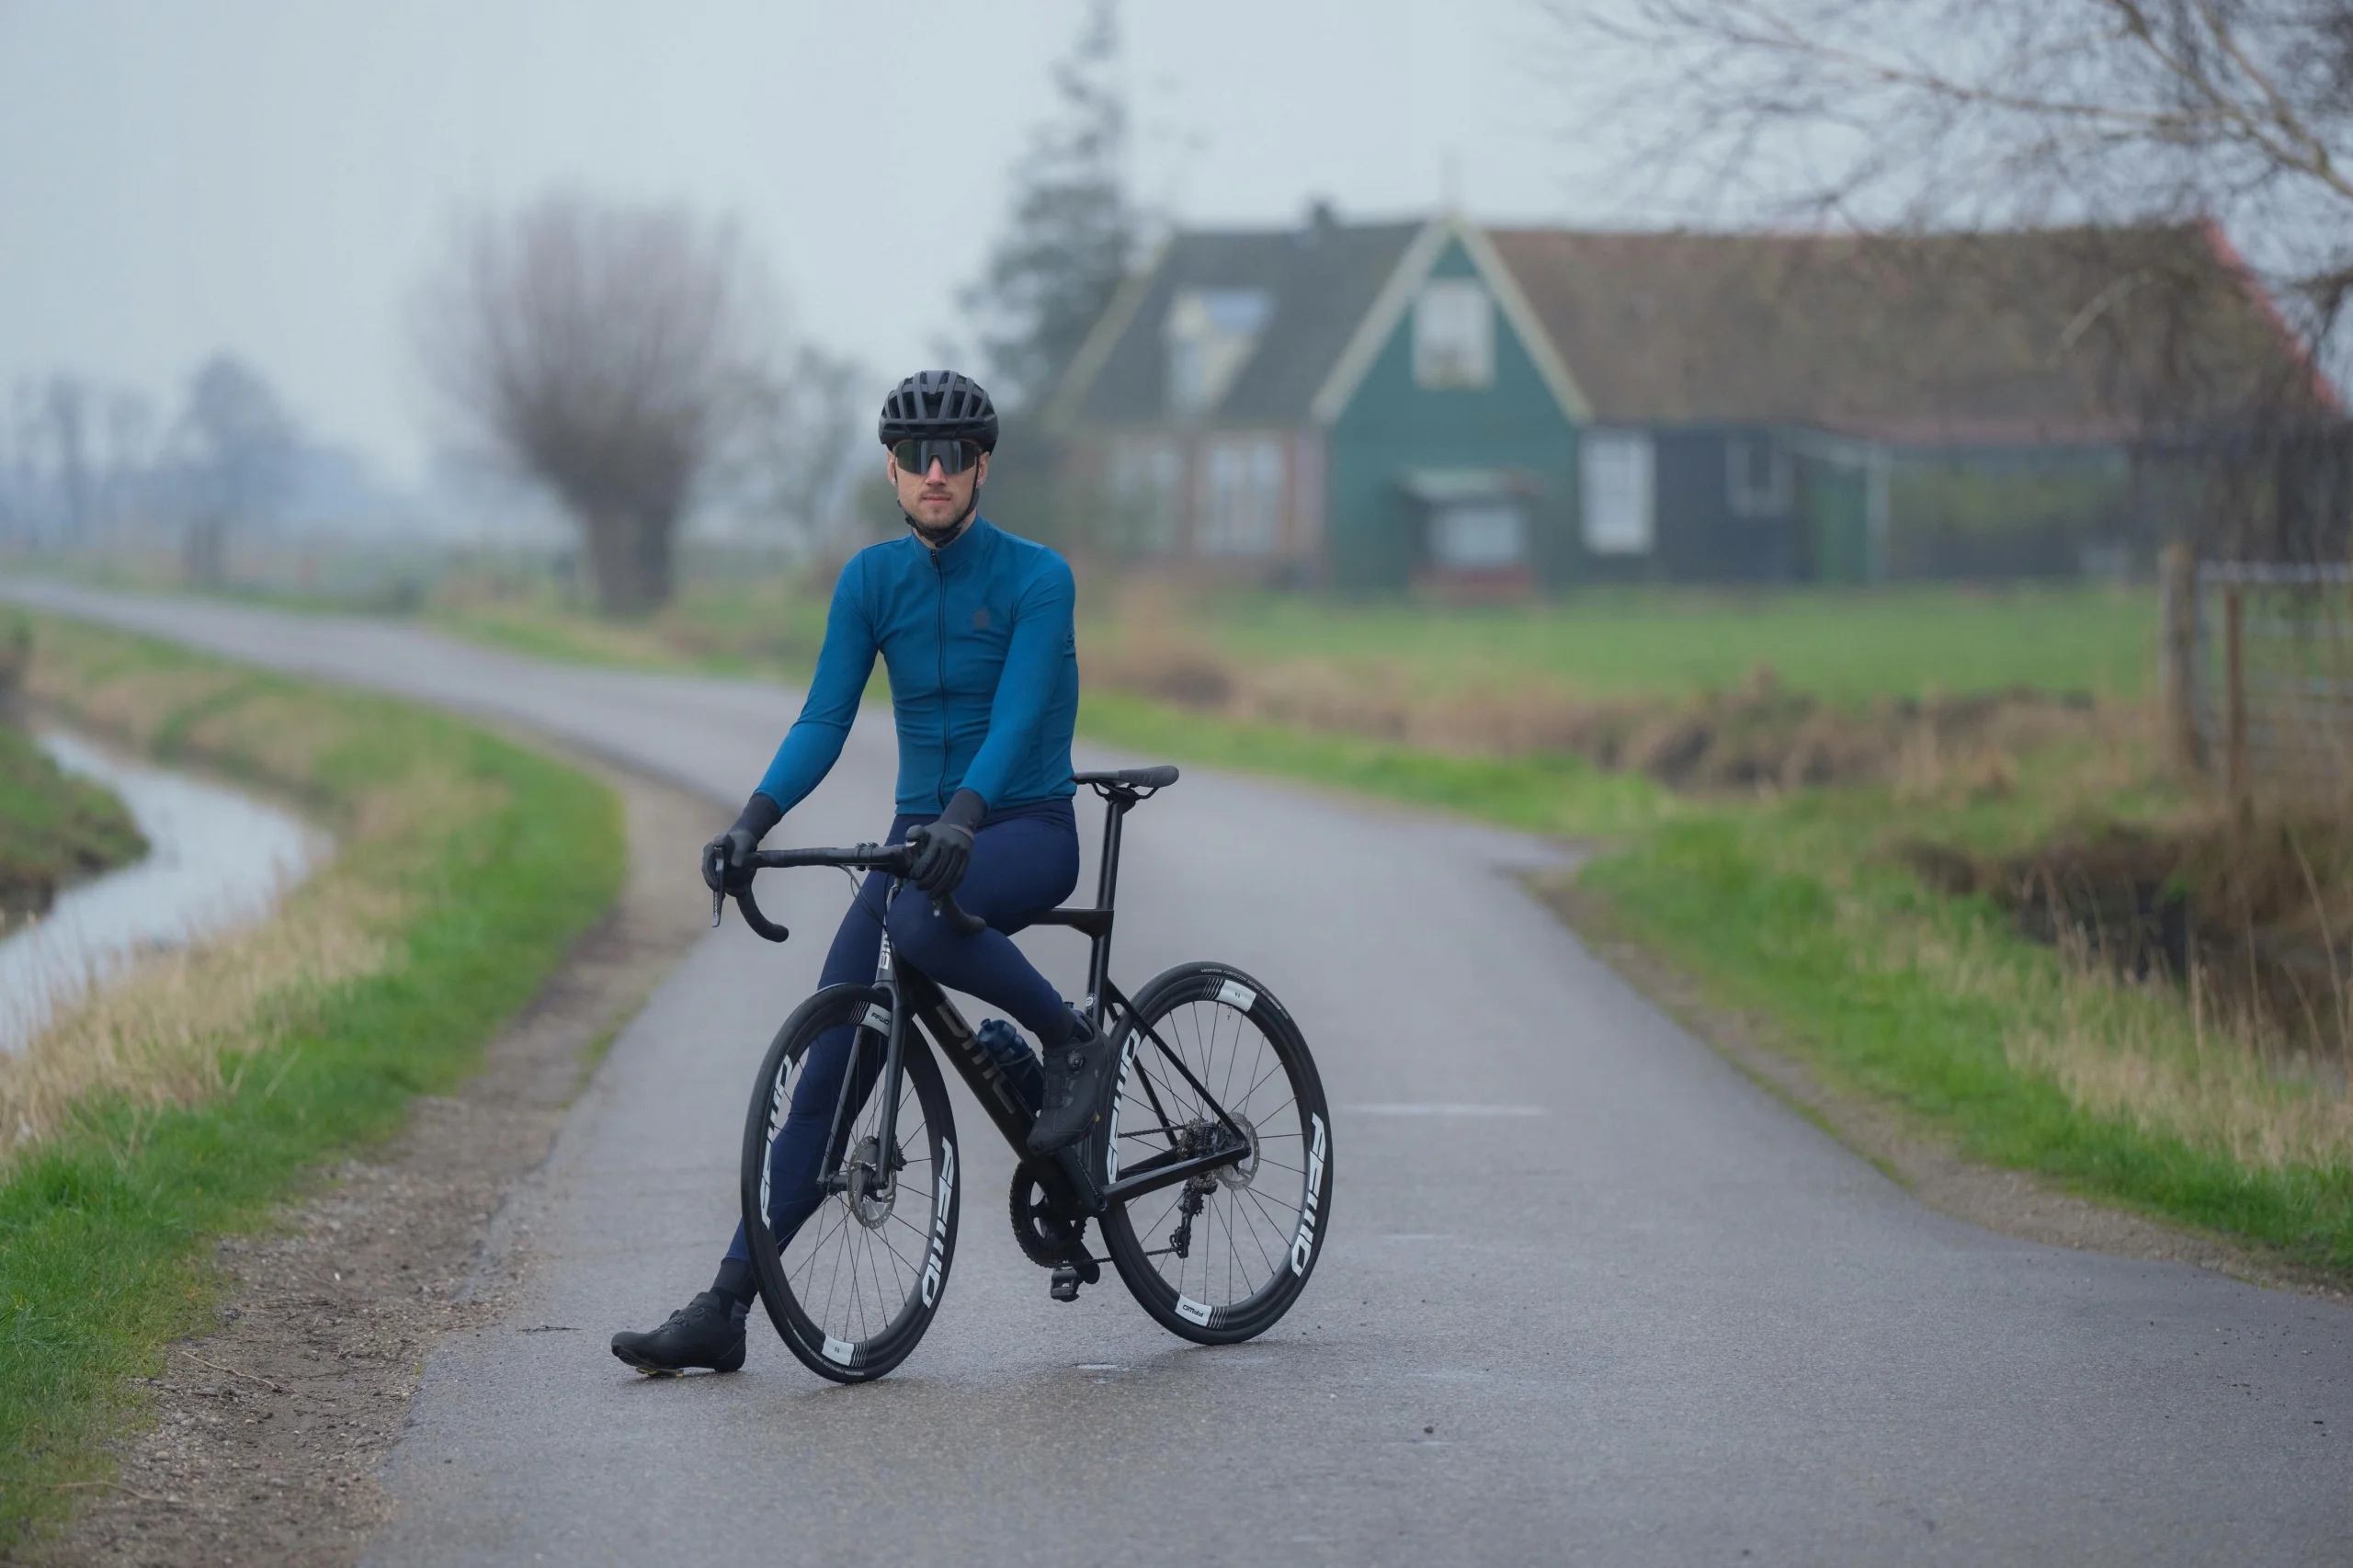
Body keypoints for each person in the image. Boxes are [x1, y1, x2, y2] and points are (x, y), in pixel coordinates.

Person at [610, 370, 1116, 1376]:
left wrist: (964, 816)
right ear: (890, 468)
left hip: (1021, 824)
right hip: (920, 842)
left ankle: (1070, 1042)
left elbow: (1020, 717)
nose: (935, 473)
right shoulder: (870, 581)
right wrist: (751, 821)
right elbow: (823, 718)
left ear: (982, 466)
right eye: (916, 457)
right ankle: (726, 1305)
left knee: (917, 924)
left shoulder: (1037, 577)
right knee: (829, 1064)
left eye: (954, 456)